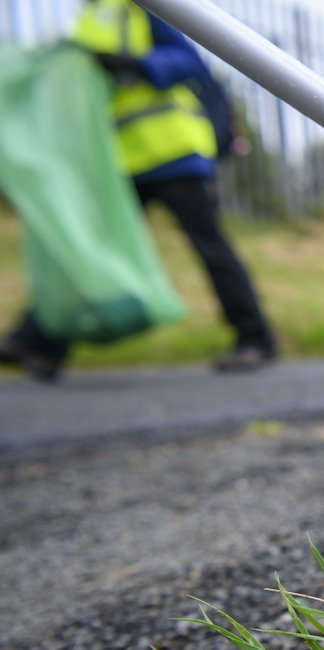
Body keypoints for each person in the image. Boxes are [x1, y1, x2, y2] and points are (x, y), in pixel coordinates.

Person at [0, 0, 276, 381]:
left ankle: (256, 338)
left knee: (209, 244)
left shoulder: (143, 8)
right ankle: (41, 342)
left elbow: (188, 61)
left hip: (172, 151)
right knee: (89, 247)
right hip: (124, 164)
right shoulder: (86, 22)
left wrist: (136, 64)